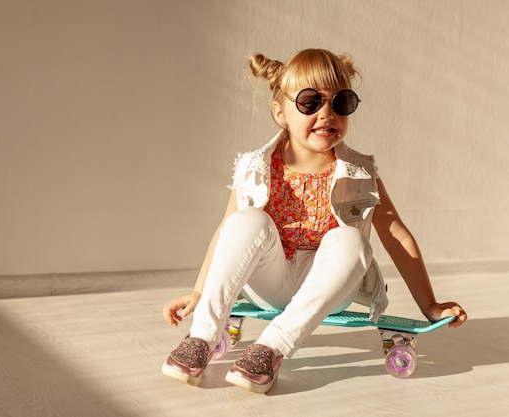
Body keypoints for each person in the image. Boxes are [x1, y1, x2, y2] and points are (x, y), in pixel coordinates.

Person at [161, 48, 467, 394]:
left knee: (351, 240)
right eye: (310, 102)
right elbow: (226, 233)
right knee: (246, 220)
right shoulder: (254, 167)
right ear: (280, 112)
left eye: (340, 102)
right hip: (269, 282)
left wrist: (429, 304)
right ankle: (201, 335)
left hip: (327, 288)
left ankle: (271, 347)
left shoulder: (360, 172)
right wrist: (200, 292)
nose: (326, 114)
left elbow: (395, 235)